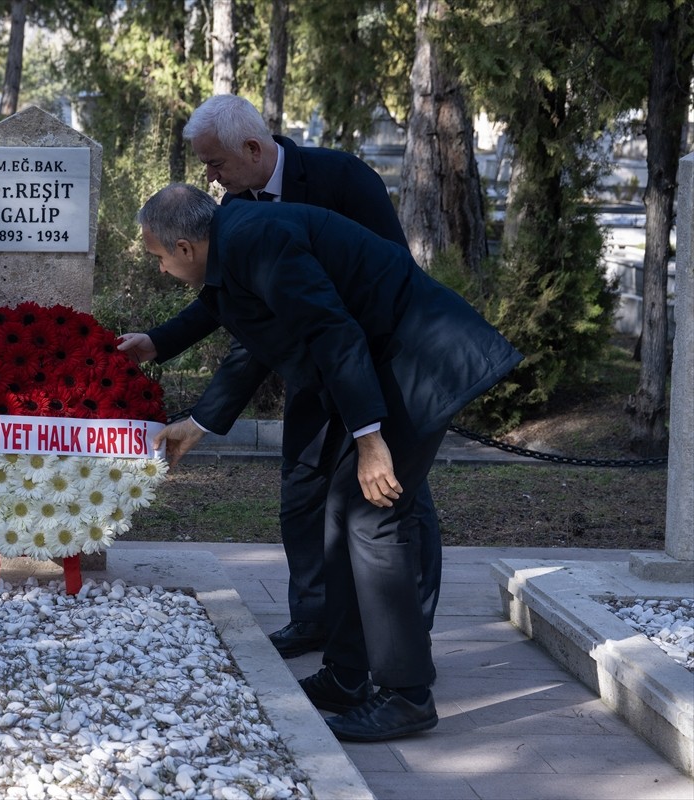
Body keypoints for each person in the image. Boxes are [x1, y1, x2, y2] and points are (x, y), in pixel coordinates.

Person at [136, 183, 521, 742]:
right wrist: (175, 378)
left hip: (421, 362)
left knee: (373, 519)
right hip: (389, 364)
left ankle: (408, 695)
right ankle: (346, 675)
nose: (162, 269)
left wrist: (370, 440)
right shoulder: (235, 237)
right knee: (341, 515)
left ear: (185, 247)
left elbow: (331, 331)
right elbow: (239, 319)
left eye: (159, 257)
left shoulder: (256, 241)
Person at [118, 94, 442, 662]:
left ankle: (407, 636)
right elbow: (229, 296)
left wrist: (369, 419)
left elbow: (388, 279)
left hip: (375, 367)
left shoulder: (342, 179)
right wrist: (160, 341)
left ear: (251, 148)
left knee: (393, 499)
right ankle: (316, 618)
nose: (211, 177)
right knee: (302, 491)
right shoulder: (234, 203)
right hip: (313, 369)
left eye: (215, 163)